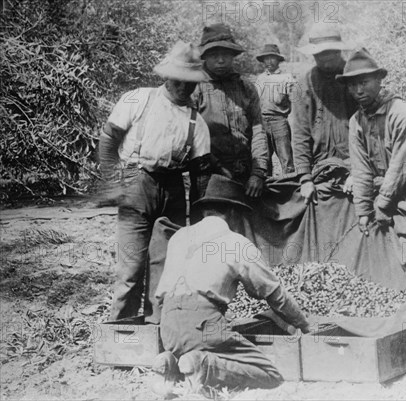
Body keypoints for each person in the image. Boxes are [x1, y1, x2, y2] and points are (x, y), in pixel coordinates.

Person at [150, 175, 310, 395]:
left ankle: (170, 362)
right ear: (234, 213)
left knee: (203, 344)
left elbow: (160, 295)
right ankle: (203, 365)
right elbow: (274, 294)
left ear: (206, 211)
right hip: (203, 323)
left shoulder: (179, 236)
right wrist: (305, 325)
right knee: (269, 373)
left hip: (167, 327)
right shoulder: (236, 243)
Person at [99, 41, 215, 322]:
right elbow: (108, 140)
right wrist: (112, 182)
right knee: (131, 268)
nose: (184, 88)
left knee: (165, 268)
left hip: (173, 190)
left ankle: (158, 332)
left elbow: (201, 175)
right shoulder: (138, 99)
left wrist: (200, 223)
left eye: (191, 84)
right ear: (166, 76)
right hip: (136, 183)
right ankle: (122, 334)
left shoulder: (196, 122)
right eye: (179, 81)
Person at [337, 48, 406, 238]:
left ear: (379, 80)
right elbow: (361, 170)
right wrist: (364, 211)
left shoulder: (403, 115)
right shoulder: (356, 121)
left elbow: (401, 167)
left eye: (364, 83)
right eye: (352, 85)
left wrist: (382, 204)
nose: (358, 91)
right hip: (384, 187)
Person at [191, 23, 269, 222]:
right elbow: (189, 137)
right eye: (213, 54)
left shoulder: (246, 88)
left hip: (246, 175)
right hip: (209, 177)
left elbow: (258, 130)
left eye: (225, 53)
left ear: (233, 56)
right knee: (210, 233)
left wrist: (258, 173)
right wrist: (217, 169)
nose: (220, 60)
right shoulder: (194, 88)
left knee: (249, 231)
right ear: (204, 56)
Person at [292, 24, 358, 204]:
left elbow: (371, 131)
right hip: (319, 167)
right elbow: (300, 133)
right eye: (321, 55)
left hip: (356, 163)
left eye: (331, 53)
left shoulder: (356, 77)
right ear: (314, 55)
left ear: (340, 52)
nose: (327, 60)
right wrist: (305, 178)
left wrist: (359, 171)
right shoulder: (304, 84)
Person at [254, 44, 297, 176]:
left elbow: (296, 101)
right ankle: (266, 192)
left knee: (286, 160)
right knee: (263, 161)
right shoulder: (260, 78)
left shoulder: (287, 77)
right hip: (262, 122)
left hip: (279, 121)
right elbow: (254, 102)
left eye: (272, 58)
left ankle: (289, 190)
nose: (269, 62)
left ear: (278, 60)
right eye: (266, 59)